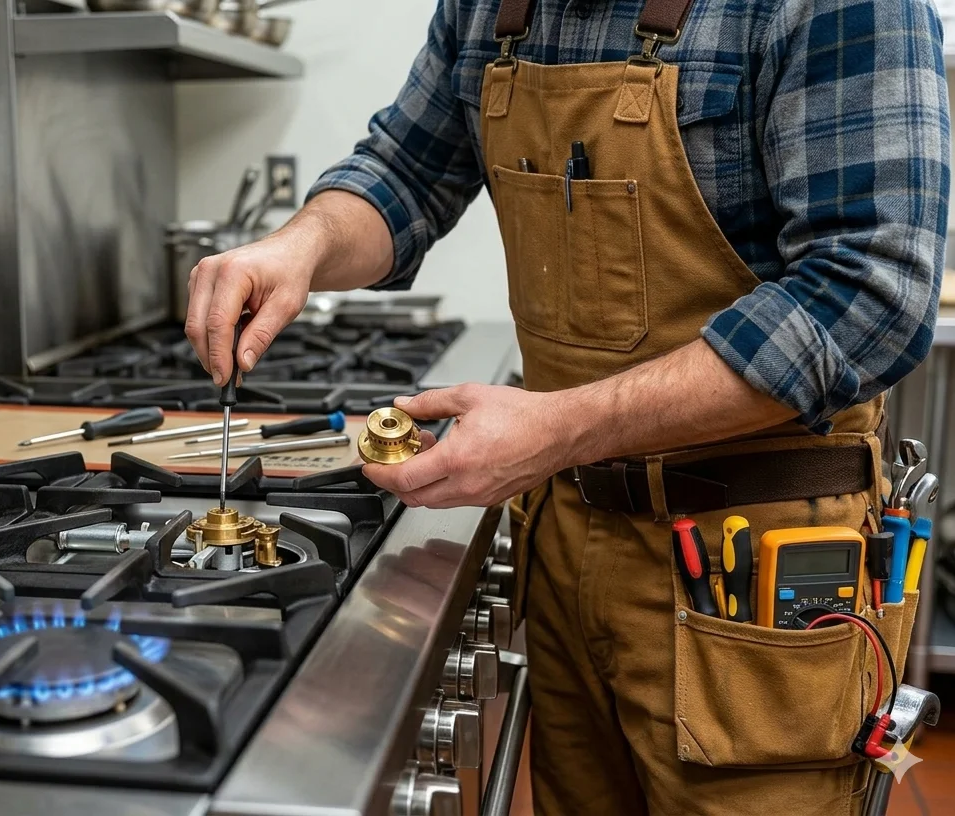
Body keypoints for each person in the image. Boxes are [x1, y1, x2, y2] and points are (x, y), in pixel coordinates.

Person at [185, 0, 949, 813]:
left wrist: (558, 427)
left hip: (749, 571)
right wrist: (298, 244)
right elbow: (405, 173)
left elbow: (870, 297)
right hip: (567, 532)